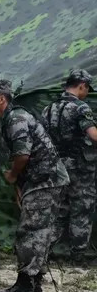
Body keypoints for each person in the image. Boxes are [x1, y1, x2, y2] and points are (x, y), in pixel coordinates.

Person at [0, 79, 69, 292]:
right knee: (38, 231)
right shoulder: (9, 118)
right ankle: (33, 284)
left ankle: (25, 286)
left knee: (31, 232)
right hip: (41, 181)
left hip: (45, 180)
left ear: (1, 98)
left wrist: (13, 175)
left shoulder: (16, 118)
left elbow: (23, 156)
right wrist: (20, 187)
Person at [40, 69, 97, 265]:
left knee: (59, 212)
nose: (87, 93)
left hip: (56, 168)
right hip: (80, 168)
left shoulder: (48, 109)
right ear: (82, 85)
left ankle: (43, 253)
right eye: (87, 89)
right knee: (82, 210)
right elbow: (93, 135)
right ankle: (78, 259)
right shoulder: (81, 108)